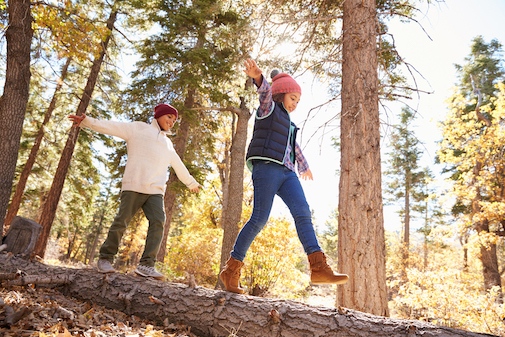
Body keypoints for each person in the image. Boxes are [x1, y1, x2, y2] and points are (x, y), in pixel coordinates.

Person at [219, 59, 348, 294]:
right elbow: (266, 92)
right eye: (292, 99)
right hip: (267, 167)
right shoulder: (268, 109)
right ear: (281, 96)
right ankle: (231, 270)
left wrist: (304, 166)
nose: (295, 104)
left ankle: (318, 267)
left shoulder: (289, 122)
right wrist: (258, 77)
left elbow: (293, 146)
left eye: (298, 101)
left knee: (303, 212)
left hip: (287, 173)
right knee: (259, 218)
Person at [68, 104, 200, 280]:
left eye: (174, 120)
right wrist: (87, 122)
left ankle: (146, 265)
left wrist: (190, 182)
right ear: (159, 116)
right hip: (134, 185)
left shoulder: (167, 143)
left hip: (155, 191)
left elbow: (178, 165)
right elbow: (112, 126)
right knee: (122, 221)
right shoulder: (138, 129)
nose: (171, 122)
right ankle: (105, 258)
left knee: (159, 221)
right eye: (169, 117)